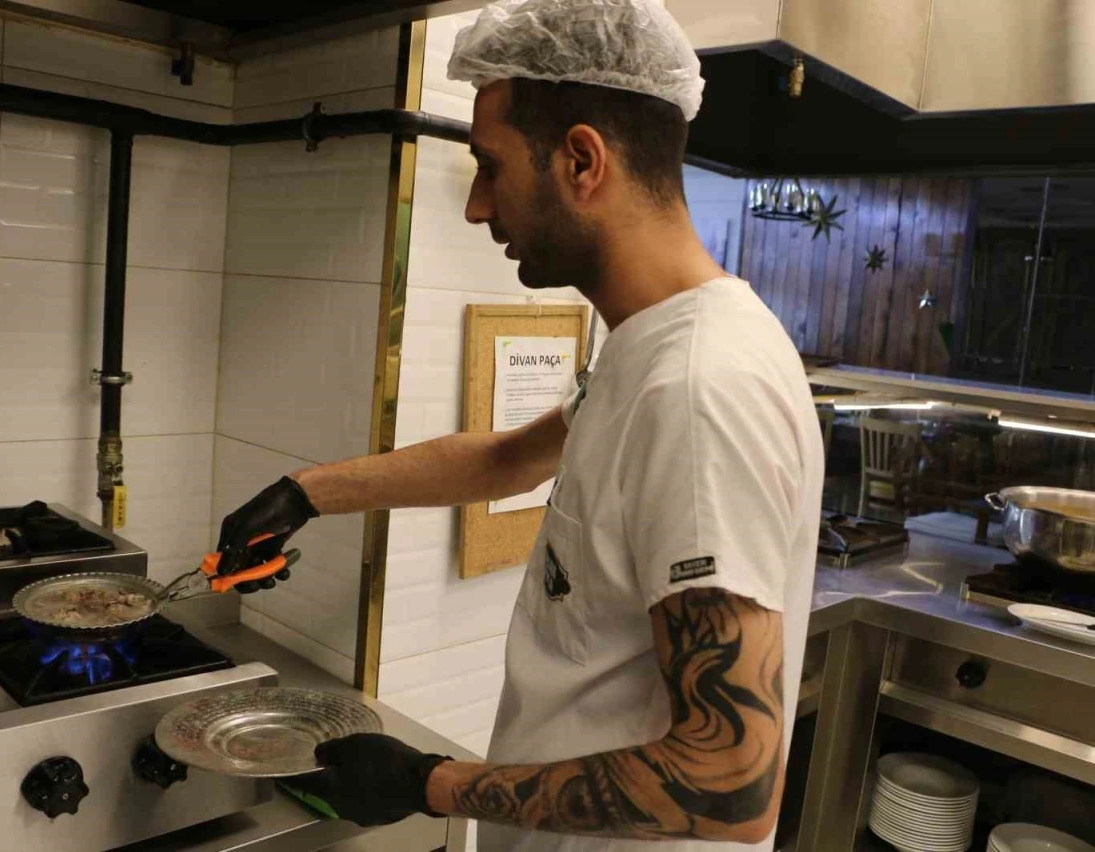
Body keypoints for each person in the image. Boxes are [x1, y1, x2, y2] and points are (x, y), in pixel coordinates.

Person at [215, 1, 825, 849]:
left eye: (490, 167)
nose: (477, 206)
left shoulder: (699, 388)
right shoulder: (652, 348)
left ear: (582, 160)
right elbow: (507, 459)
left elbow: (732, 780)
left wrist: (429, 784)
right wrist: (304, 494)